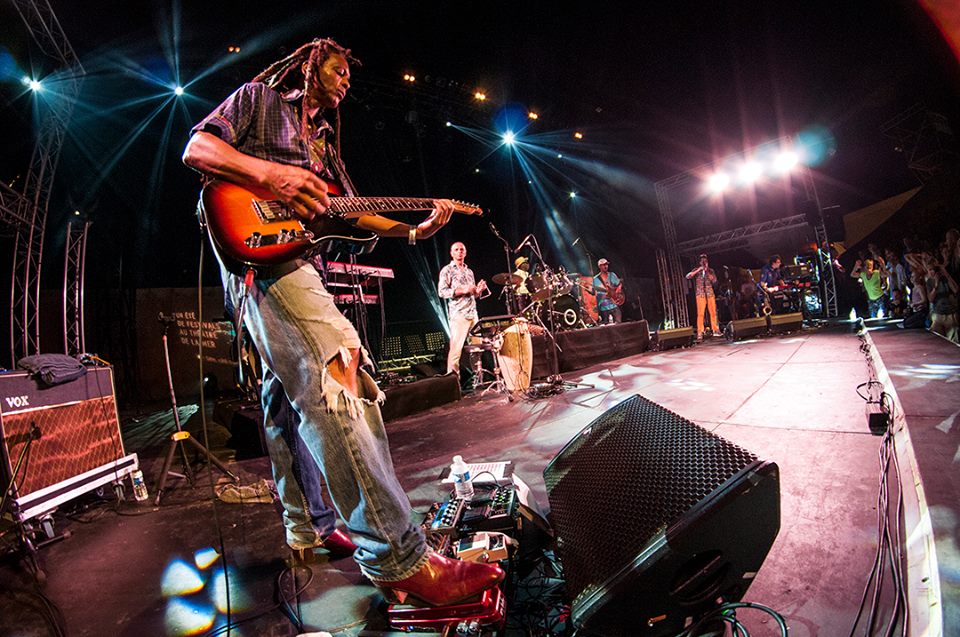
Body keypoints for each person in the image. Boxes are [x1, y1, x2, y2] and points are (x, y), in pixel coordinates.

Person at [182, 37, 502, 606]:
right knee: (339, 372)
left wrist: (415, 230)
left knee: (282, 403)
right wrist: (268, 175)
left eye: (350, 76)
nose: (346, 81)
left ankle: (308, 527)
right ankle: (397, 557)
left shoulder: (325, 143)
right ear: (311, 66)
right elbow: (199, 149)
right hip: (263, 264)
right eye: (338, 70)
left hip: (292, 261)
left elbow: (351, 213)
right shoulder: (259, 99)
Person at [438, 242, 488, 378]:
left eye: (462, 249)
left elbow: (473, 294)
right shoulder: (447, 270)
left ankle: (479, 379)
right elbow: (442, 292)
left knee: (477, 349)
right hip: (459, 314)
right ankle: (453, 383)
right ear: (451, 253)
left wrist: (478, 290)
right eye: (456, 249)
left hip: (473, 313)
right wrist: (463, 289)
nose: (459, 252)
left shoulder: (469, 271)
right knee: (456, 351)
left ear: (465, 253)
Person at [685, 254, 719, 340]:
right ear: (700, 262)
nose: (704, 262)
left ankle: (715, 330)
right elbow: (688, 276)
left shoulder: (711, 270)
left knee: (713, 312)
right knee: (700, 314)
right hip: (700, 294)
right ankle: (700, 331)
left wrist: (707, 271)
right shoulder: (696, 270)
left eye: (705, 261)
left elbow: (714, 280)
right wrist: (698, 270)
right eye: (702, 261)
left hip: (709, 293)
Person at [592, 258, 623, 324]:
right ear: (599, 266)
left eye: (606, 264)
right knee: (607, 327)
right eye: (603, 265)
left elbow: (619, 284)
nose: (606, 266)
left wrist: (617, 292)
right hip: (604, 307)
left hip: (614, 305)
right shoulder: (596, 279)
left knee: (619, 324)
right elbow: (595, 293)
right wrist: (602, 295)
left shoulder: (612, 275)